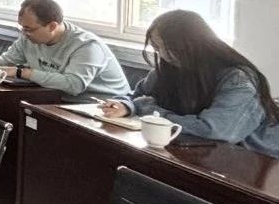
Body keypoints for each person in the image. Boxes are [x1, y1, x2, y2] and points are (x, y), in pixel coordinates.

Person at [100, 10, 279, 157]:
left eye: (169, 48)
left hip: (259, 161)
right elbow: (137, 95)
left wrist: (149, 110)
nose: (163, 55)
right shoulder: (169, 69)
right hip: (205, 155)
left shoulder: (238, 80)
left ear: (192, 44)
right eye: (157, 48)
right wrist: (125, 105)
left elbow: (215, 131)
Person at [0, 0, 129, 99]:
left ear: (52, 26)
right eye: (22, 28)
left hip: (103, 107)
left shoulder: (86, 46)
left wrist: (22, 72)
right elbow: (8, 59)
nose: (24, 34)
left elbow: (73, 85)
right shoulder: (28, 37)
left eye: (29, 29)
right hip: (56, 100)